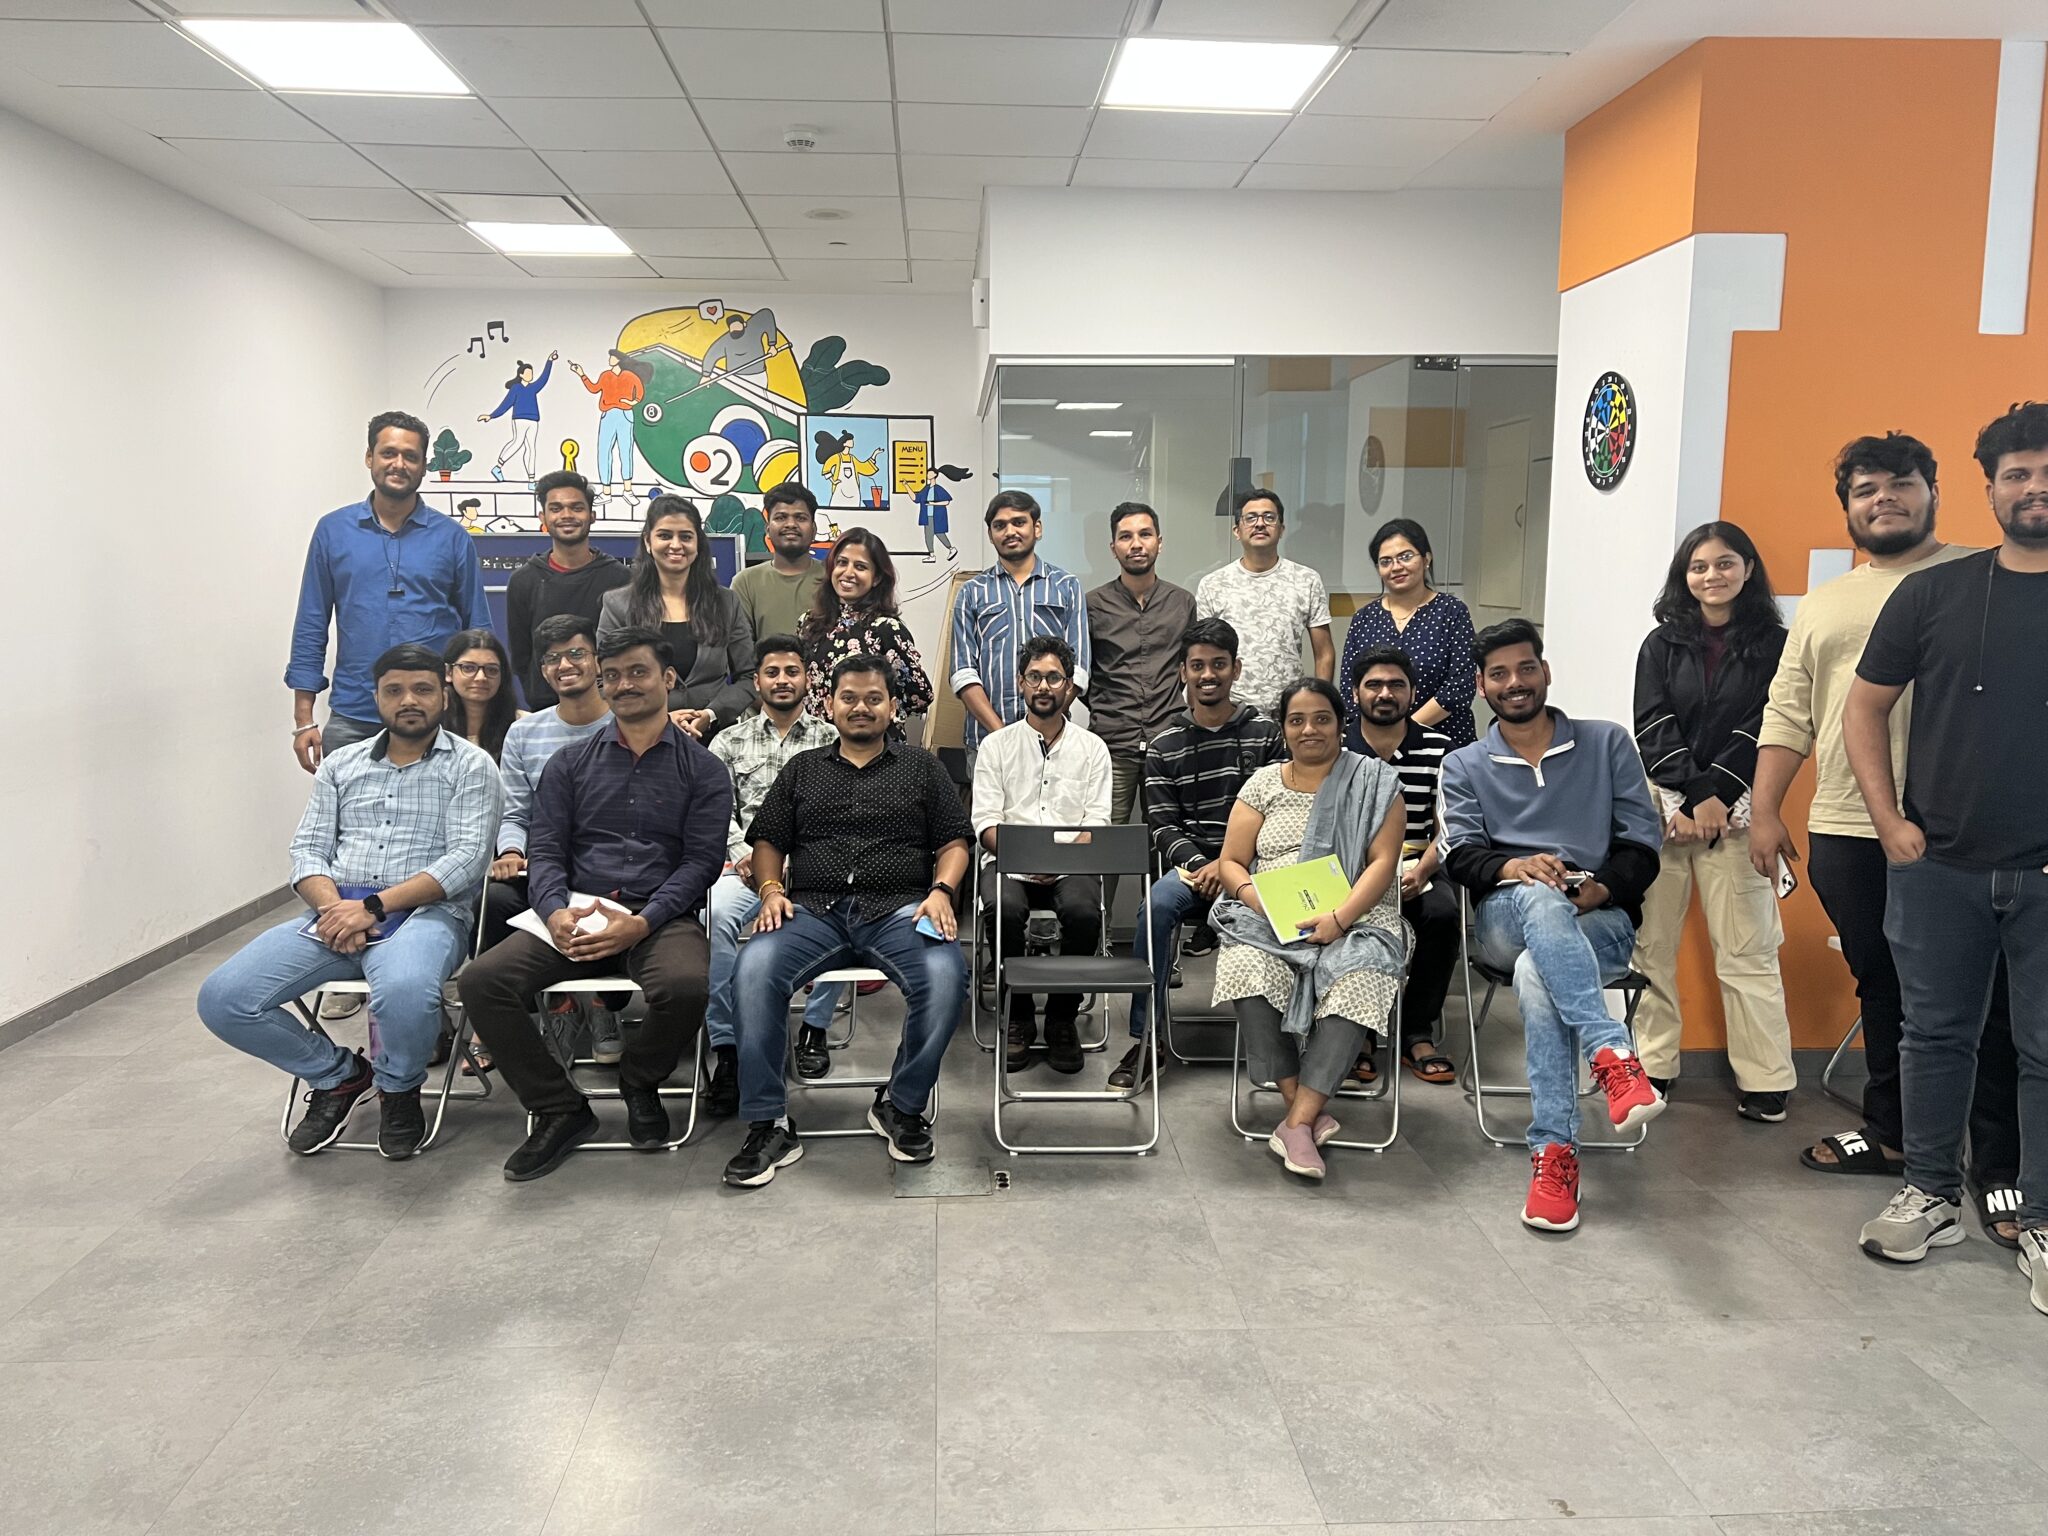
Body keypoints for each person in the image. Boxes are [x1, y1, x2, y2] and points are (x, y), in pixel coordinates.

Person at [1749, 433, 2021, 1239]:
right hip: (1847, 825)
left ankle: (2000, 1164)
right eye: (1866, 489)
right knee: (1884, 987)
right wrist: (1765, 808)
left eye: (1901, 484)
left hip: (1961, 824)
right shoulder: (1826, 603)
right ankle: (1895, 1134)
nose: (1884, 499)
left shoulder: (1986, 577)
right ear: (1848, 507)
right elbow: (1790, 710)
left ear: (1935, 492)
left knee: (1993, 1002)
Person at [1844, 401, 2048, 1310]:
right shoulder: (1934, 594)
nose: (2034, 488)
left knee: (2045, 1049)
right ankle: (1929, 1194)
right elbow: (1863, 706)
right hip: (1940, 868)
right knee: (1932, 1037)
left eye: (2046, 473)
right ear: (1990, 488)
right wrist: (1889, 821)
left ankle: (2042, 1219)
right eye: (2017, 474)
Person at [198, 644, 500, 1160]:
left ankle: (398, 1091)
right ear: (376, 698)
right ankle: (338, 1075)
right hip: (333, 913)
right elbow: (307, 850)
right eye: (394, 690)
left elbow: (467, 860)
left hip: (425, 915)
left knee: (405, 990)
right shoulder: (342, 763)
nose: (409, 700)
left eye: (423, 689)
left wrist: (373, 907)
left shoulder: (471, 766)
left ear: (444, 697)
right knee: (224, 999)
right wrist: (335, 909)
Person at [457, 627, 729, 1182]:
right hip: (577, 912)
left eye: (638, 672)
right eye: (613, 676)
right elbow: (546, 850)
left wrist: (643, 922)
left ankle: (640, 1080)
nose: (624, 684)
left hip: (660, 916)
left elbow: (700, 864)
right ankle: (559, 1108)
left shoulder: (703, 770)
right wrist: (554, 910)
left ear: (668, 679)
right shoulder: (569, 764)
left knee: (687, 986)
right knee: (482, 982)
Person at [1440, 619, 1666, 1233]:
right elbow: (1460, 855)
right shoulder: (1464, 764)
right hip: (1505, 915)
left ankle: (1555, 1154)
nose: (1514, 682)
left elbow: (1643, 845)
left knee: (1537, 972)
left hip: (1601, 917)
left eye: (1525, 668)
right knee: (1539, 899)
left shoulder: (1606, 743)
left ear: (1545, 672)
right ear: (1482, 687)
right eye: (1499, 674)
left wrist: (1601, 888)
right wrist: (1513, 867)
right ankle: (1610, 1051)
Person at [721, 654, 973, 1188]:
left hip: (900, 909)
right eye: (849, 698)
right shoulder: (803, 769)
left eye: (874, 699)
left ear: (893, 706)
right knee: (753, 971)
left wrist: (942, 891)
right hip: (812, 911)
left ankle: (901, 1104)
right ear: (829, 705)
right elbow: (768, 840)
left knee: (947, 975)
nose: (861, 708)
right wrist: (770, 890)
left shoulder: (922, 767)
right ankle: (768, 1123)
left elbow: (954, 841)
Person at [1206, 678, 1407, 1180]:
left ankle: (1296, 1122)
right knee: (1245, 967)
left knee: (1362, 978)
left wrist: (1339, 919)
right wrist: (1258, 899)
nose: (1309, 729)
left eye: (1321, 718)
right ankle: (1303, 1108)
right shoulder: (1263, 784)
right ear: (1283, 729)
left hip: (1358, 915)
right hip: (1270, 916)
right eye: (1296, 720)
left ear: (1341, 724)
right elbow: (1231, 862)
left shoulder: (1375, 782)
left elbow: (1383, 863)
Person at [1629, 521, 1797, 1120]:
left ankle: (1766, 1079)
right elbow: (1651, 724)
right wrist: (1694, 796)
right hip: (1666, 812)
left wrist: (1718, 795)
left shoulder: (1777, 644)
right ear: (1685, 576)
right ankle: (1653, 1065)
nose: (1712, 576)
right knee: (1651, 946)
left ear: (1748, 569)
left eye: (1725, 563)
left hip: (1740, 811)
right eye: (1699, 566)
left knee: (1748, 950)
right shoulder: (1660, 644)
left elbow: (1768, 723)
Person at [1117, 618, 1283, 1091]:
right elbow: (1162, 825)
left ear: (1236, 669)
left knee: (1291, 907)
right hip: (1193, 873)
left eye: (1218, 664)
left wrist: (1230, 865)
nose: (1208, 675)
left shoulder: (1267, 735)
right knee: (1156, 906)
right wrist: (1202, 865)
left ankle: (1281, 1043)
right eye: (1197, 666)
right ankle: (1147, 1039)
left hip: (1257, 869)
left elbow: (1279, 814)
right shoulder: (1164, 744)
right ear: (1183, 672)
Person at [288, 411, 489, 771]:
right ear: (370, 457)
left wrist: (476, 718)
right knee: (346, 809)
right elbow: (311, 624)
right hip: (355, 715)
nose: (399, 464)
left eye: (410, 456)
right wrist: (304, 719)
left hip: (436, 717)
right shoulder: (333, 531)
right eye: (388, 453)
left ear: (423, 466)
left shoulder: (453, 538)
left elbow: (478, 632)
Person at [705, 636, 842, 1107]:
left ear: (807, 679)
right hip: (743, 867)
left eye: (791, 671)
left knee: (846, 905)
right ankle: (728, 1046)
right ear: (757, 681)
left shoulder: (833, 738)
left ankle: (815, 1028)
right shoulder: (728, 741)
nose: (782, 680)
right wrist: (745, 853)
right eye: (772, 672)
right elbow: (716, 811)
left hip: (814, 869)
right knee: (715, 916)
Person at [972, 636, 1113, 1074]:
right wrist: (1027, 858)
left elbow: (1096, 824)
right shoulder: (997, 746)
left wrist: (1057, 861)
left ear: (1069, 685)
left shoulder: (1093, 748)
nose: (1044, 686)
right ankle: (1017, 1016)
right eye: (1034, 677)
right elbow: (986, 824)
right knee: (1003, 908)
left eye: (1054, 677)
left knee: (1084, 912)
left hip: (1073, 867)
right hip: (1008, 864)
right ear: (1021, 682)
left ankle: (1060, 1018)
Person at [485, 614, 618, 1067]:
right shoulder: (523, 733)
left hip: (613, 865)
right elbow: (515, 812)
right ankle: (556, 1005)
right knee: (495, 900)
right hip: (545, 865)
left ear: (597, 660)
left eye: (577, 653)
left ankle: (604, 1004)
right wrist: (511, 850)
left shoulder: (627, 720)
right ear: (542, 671)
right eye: (552, 658)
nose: (565, 665)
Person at [1343, 645, 1461, 1087]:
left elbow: (1448, 827)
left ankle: (1416, 1031)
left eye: (1396, 684)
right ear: (1355, 693)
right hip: (1350, 870)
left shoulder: (1440, 749)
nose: (1385, 693)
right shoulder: (1336, 746)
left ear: (1412, 693)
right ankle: (1359, 1031)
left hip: (1416, 867)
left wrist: (1422, 871)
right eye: (1373, 684)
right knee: (1350, 918)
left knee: (1443, 914)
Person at [1084, 501, 1197, 909]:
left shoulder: (1182, 602)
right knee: (1106, 843)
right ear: (1113, 547)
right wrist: (1106, 706)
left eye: (1145, 534)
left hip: (1170, 742)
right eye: (1126, 536)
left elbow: (1191, 667)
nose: (1136, 544)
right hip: (1112, 741)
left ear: (1159, 543)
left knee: (1167, 841)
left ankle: (1159, 934)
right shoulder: (1092, 604)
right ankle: (1099, 933)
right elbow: (1082, 672)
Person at [598, 494, 756, 739]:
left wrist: (711, 714)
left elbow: (749, 676)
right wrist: (658, 719)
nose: (675, 545)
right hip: (643, 737)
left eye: (685, 536)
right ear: (648, 541)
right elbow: (602, 682)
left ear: (698, 543)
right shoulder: (618, 605)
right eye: (664, 535)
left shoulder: (726, 602)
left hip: (714, 738)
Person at [951, 490, 1091, 758]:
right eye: (1000, 525)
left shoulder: (1067, 586)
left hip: (1052, 742)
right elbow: (963, 673)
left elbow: (1079, 669)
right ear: (990, 534)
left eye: (1018, 522)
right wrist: (1003, 736)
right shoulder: (971, 592)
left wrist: (1041, 726)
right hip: (987, 743)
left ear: (1037, 528)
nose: (1010, 531)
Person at [1338, 517, 1477, 748]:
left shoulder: (1452, 612)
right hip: (1374, 745)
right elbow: (1349, 688)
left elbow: (1460, 687)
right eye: (1386, 561)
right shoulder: (1363, 619)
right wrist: (1379, 735)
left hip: (1445, 743)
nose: (1396, 567)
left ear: (1426, 559)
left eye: (1405, 556)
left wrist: (1405, 731)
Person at [1194, 488, 1333, 717]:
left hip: (1289, 712)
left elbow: (1324, 653)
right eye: (1251, 518)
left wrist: (1318, 706)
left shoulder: (1306, 580)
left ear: (1282, 529)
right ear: (1236, 530)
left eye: (1269, 517)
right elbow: (1202, 654)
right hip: (1231, 713)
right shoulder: (1213, 584)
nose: (1260, 524)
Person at [504, 471, 629, 710]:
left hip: (612, 709)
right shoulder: (523, 581)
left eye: (576, 508)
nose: (567, 515)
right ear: (543, 517)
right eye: (556, 508)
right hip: (545, 709)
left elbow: (628, 652)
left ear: (592, 516)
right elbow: (521, 657)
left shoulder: (622, 579)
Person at [800, 526, 934, 724]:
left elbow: (921, 695)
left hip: (873, 738)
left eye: (860, 567)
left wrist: (876, 712)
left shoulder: (887, 629)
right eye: (842, 563)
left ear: (876, 578)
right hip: (818, 739)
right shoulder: (808, 623)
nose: (848, 573)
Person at [731, 483, 825, 646]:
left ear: (814, 529)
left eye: (800, 518)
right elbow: (741, 650)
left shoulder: (833, 578)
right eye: (781, 517)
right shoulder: (745, 582)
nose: (791, 524)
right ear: (767, 529)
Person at [567, 349, 649, 500]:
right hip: (608, 414)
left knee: (625, 452)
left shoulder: (630, 376)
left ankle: (628, 490)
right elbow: (594, 388)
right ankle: (606, 492)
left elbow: (640, 393)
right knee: (604, 452)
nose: (609, 359)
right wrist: (581, 374)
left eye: (612, 357)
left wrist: (632, 402)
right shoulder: (605, 375)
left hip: (625, 414)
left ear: (618, 360)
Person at [479, 352, 556, 487]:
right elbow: (506, 404)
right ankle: (498, 466)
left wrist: (550, 361)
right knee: (517, 442)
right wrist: (491, 415)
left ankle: (531, 481)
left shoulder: (533, 387)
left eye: (531, 373)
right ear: (521, 375)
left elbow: (544, 379)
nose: (530, 375)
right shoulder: (516, 388)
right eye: (528, 373)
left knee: (531, 449)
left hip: (533, 420)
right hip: (520, 419)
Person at [442, 627, 516, 762]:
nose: (481, 677)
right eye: (468, 668)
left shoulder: (522, 725)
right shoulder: (430, 726)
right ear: (448, 672)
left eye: (491, 670)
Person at [915, 464, 970, 561]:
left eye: (929, 473)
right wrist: (906, 486)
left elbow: (946, 501)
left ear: (935, 475)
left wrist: (933, 503)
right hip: (927, 516)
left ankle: (951, 548)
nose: (927, 475)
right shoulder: (926, 488)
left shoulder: (938, 488)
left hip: (937, 516)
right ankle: (932, 555)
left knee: (939, 533)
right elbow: (916, 499)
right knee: (928, 536)